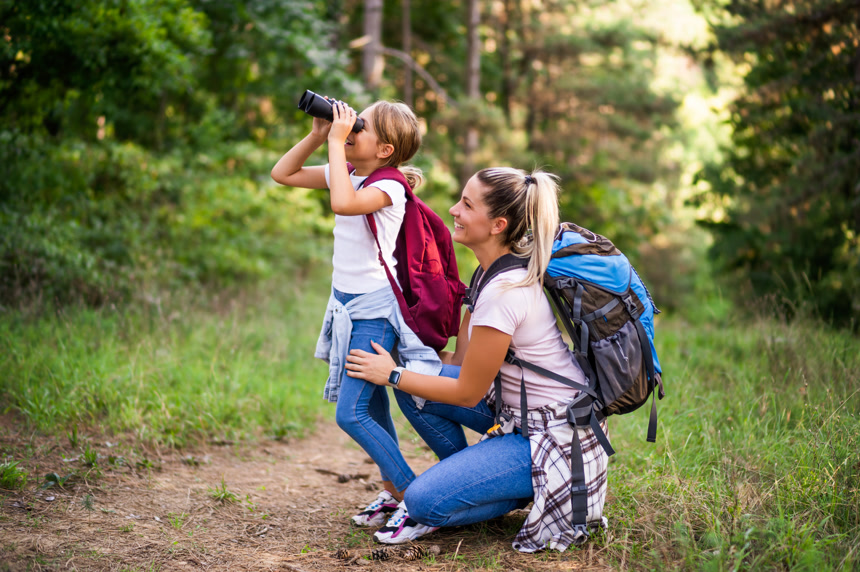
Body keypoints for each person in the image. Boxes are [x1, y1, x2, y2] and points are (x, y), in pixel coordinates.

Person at [345, 167, 610, 551]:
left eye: (466, 205)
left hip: (553, 437)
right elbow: (460, 362)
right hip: (518, 414)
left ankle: (486, 487)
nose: (453, 209)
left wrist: (392, 374)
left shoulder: (504, 292)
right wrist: (408, 354)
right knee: (419, 381)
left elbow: (468, 392)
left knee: (421, 502)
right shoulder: (487, 274)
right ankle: (478, 480)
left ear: (497, 224)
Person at [271, 98, 443, 540]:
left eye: (356, 129)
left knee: (350, 413)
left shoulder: (390, 187)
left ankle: (414, 498)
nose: (347, 132)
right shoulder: (348, 172)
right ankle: (392, 493)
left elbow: (343, 206)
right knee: (371, 406)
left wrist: (333, 141)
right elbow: (283, 174)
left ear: (384, 150)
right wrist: (316, 135)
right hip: (346, 308)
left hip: (375, 313)